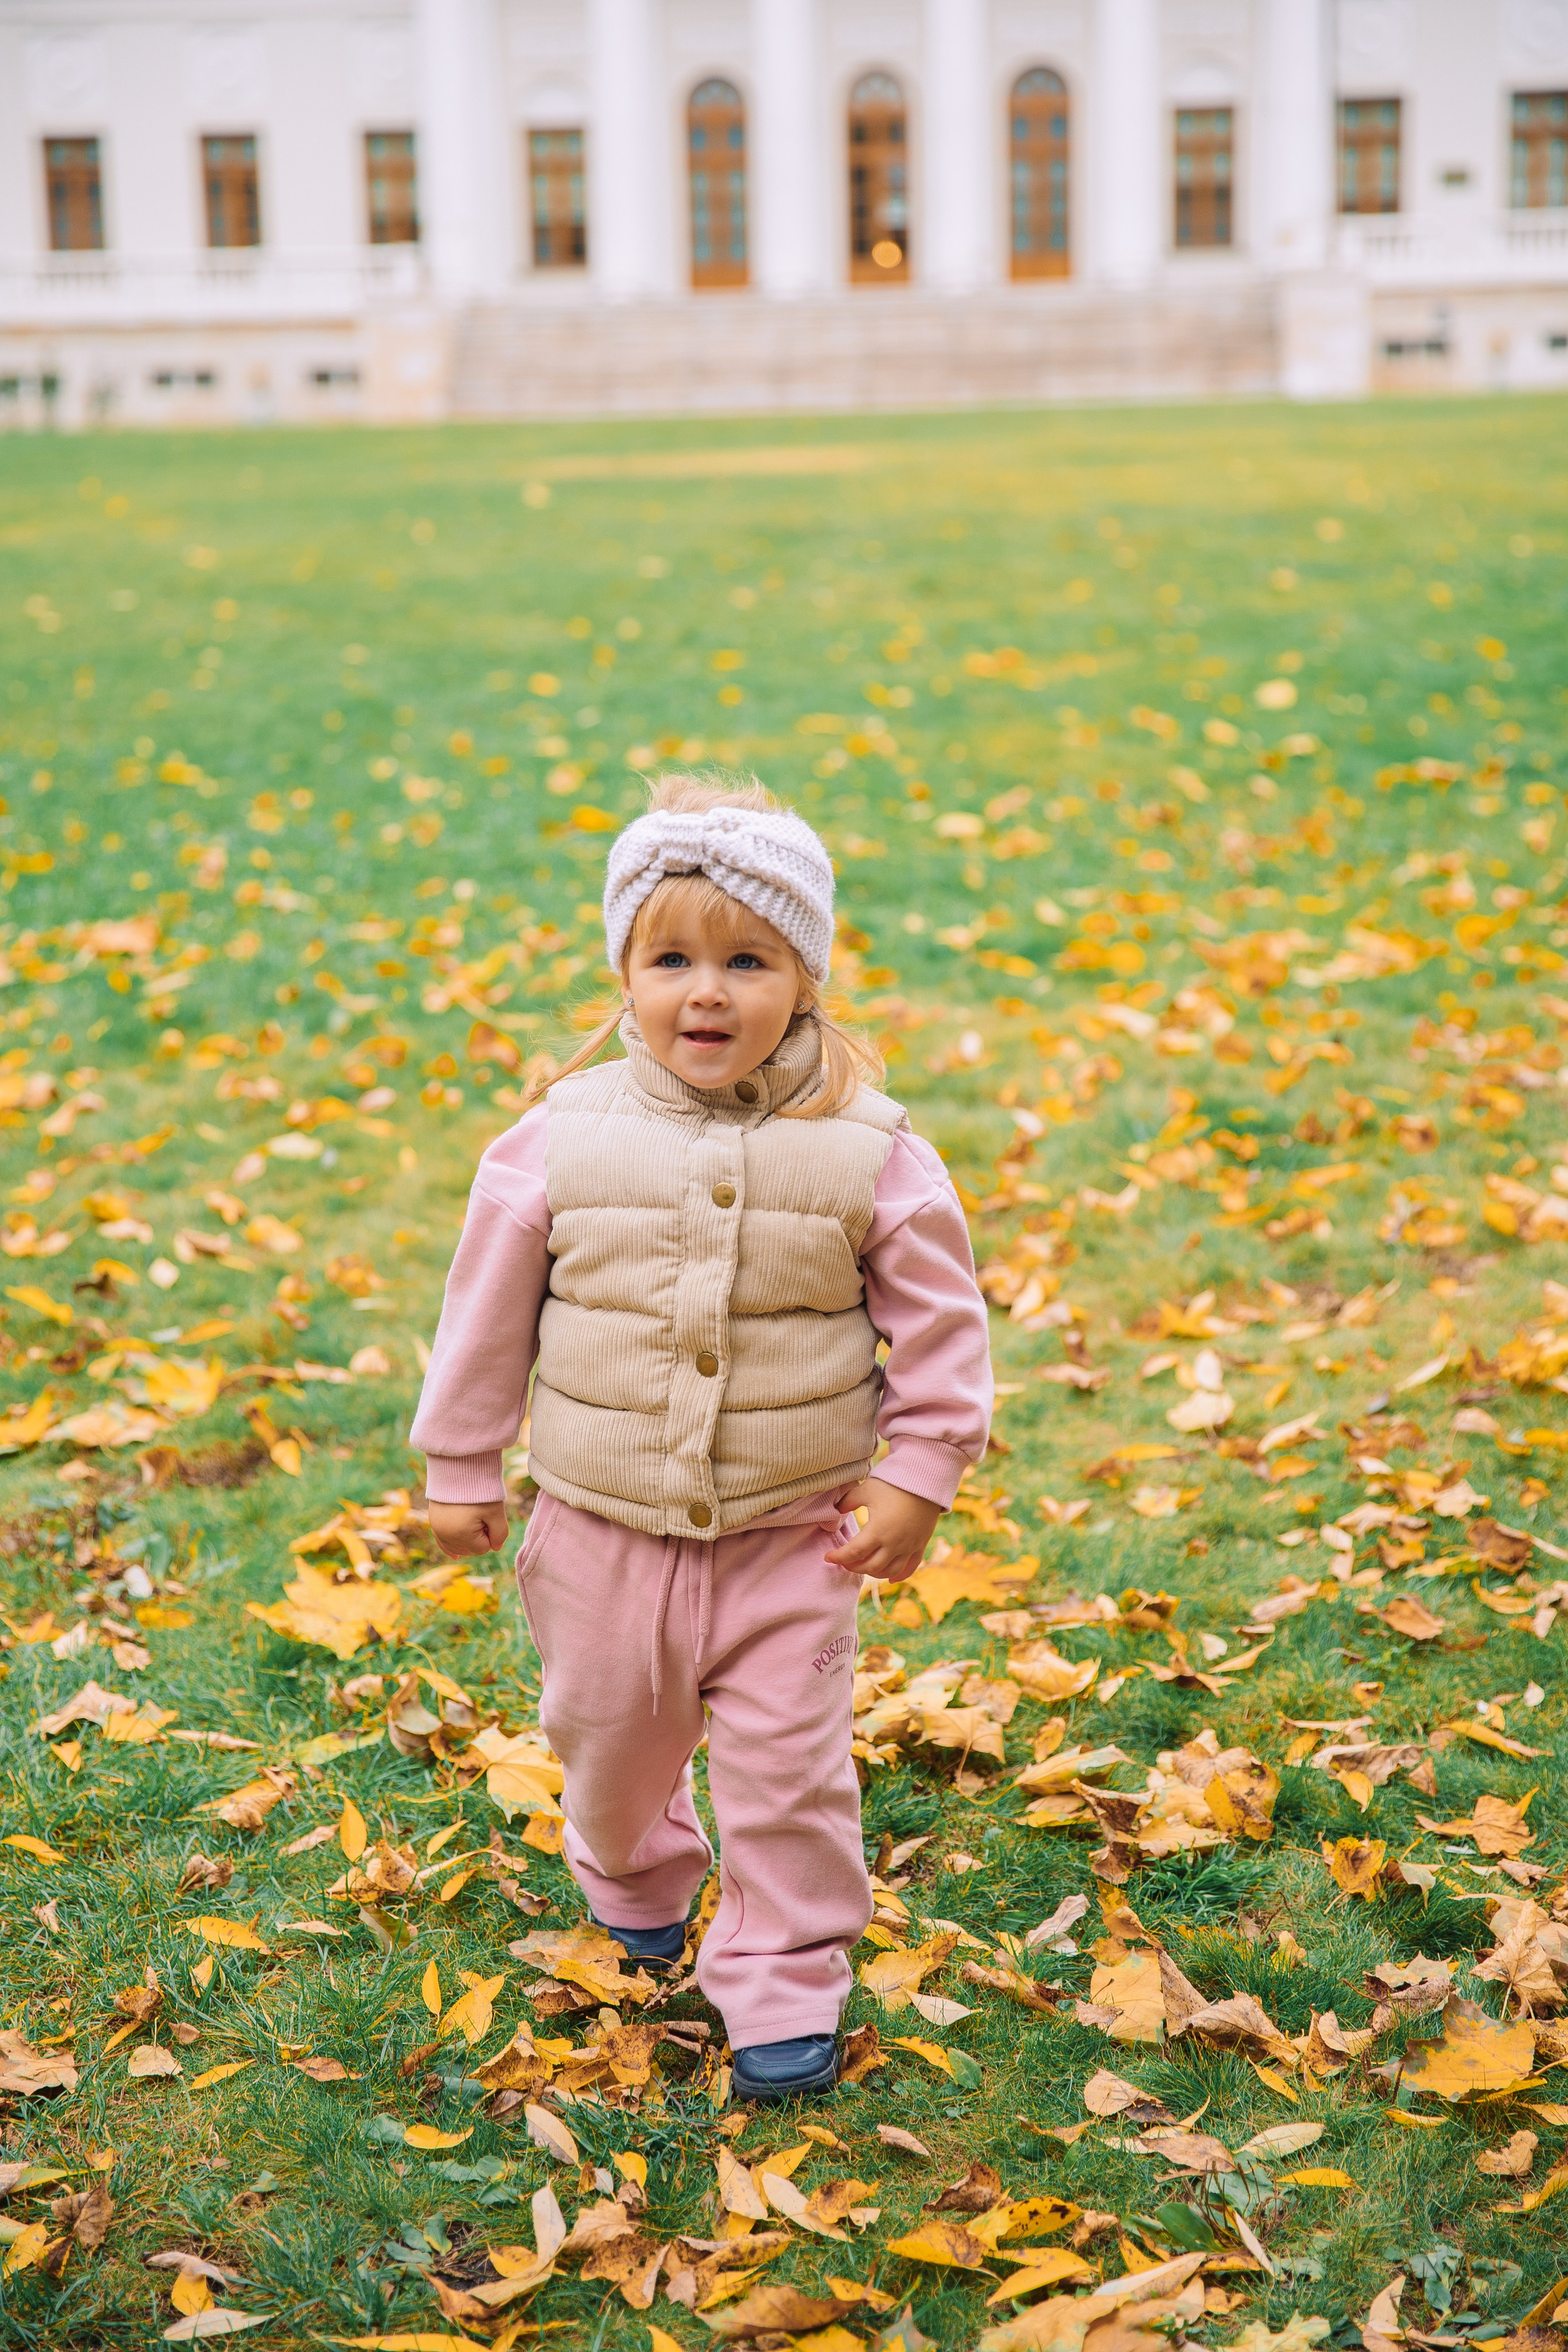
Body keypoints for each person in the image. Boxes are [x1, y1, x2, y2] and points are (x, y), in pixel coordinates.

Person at [411, 774, 992, 2101]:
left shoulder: (867, 1151)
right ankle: (633, 1874)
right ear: (625, 969)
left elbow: (943, 1327)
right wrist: (459, 1462)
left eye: (747, 960)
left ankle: (784, 1974)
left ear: (808, 976)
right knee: (607, 1741)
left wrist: (919, 1472)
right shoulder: (558, 1141)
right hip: (594, 1528)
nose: (706, 993)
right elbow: (485, 1314)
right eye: (670, 959)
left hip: (793, 1538)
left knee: (788, 1773)